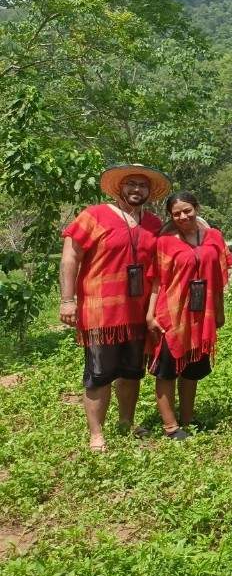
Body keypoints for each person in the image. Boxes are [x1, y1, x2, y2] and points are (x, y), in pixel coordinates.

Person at [59, 163, 169, 451]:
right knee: (99, 374)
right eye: (131, 183)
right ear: (120, 187)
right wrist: (67, 300)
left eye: (142, 185)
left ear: (149, 192)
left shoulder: (154, 224)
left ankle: (126, 422)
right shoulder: (94, 215)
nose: (136, 189)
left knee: (132, 372)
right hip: (101, 312)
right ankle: (96, 434)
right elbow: (70, 256)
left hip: (138, 314)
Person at [147, 191, 232, 440]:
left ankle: (187, 419)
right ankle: (171, 427)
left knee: (191, 368)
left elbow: (218, 280)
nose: (183, 217)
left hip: (200, 315)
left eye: (187, 211)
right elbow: (156, 281)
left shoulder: (214, 237)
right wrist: (150, 315)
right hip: (170, 313)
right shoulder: (164, 242)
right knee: (167, 370)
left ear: (197, 208)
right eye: (176, 214)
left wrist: (219, 312)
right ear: (170, 216)